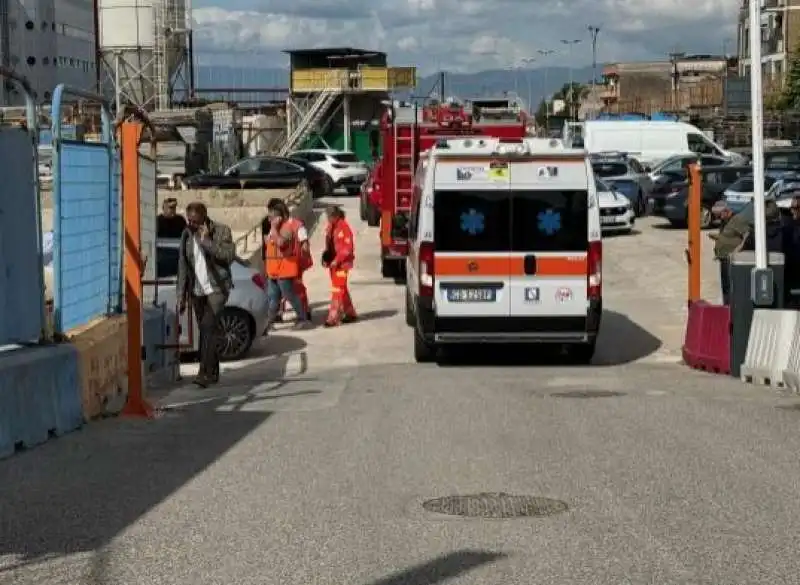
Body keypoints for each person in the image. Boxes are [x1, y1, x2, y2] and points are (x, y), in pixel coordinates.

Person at [176, 202, 235, 387]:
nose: (191, 224)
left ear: (204, 218)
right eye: (189, 220)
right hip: (197, 290)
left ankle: (204, 373)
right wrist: (181, 295)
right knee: (206, 330)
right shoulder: (186, 234)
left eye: (195, 221)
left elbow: (228, 256)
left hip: (217, 288)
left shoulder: (221, 231)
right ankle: (214, 371)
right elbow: (183, 265)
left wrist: (207, 242)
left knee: (208, 326)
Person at [262, 198, 312, 329]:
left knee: (291, 296)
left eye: (272, 217)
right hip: (273, 270)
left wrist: (273, 229)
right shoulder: (274, 228)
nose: (269, 220)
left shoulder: (287, 228)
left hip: (285, 269)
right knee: (273, 298)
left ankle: (303, 318)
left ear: (279, 217)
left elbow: (281, 243)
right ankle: (268, 323)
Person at [321, 205, 357, 327]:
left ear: (335, 216)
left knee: (337, 289)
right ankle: (350, 312)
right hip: (333, 264)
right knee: (342, 289)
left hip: (342, 265)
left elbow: (347, 248)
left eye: (329, 216)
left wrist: (337, 260)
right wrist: (326, 258)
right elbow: (329, 245)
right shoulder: (330, 227)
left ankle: (333, 318)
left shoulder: (344, 227)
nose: (328, 219)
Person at [709, 203, 750, 304]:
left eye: (719, 215)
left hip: (731, 258)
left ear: (726, 211)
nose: (718, 218)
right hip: (723, 257)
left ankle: (731, 307)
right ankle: (726, 306)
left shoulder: (737, 220)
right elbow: (728, 234)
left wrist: (738, 249)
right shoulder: (725, 221)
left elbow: (747, 234)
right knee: (725, 286)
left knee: (730, 286)